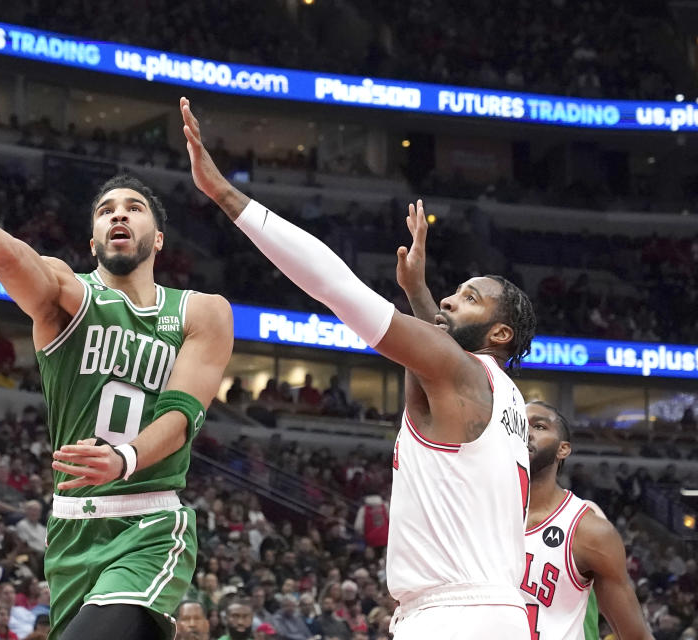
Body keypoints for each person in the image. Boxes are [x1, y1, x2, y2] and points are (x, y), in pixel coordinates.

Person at [182, 98, 535, 639]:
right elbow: (436, 357)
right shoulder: (503, 395)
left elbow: (336, 286)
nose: (450, 298)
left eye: (468, 298)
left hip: (452, 618)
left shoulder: (462, 372)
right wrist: (418, 291)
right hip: (500, 614)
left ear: (500, 333)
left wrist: (227, 196)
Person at [0, 133, 233, 640]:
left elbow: (179, 416)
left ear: (159, 238)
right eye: (105, 211)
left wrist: (124, 458)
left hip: (149, 524)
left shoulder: (201, 311)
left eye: (135, 208)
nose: (118, 215)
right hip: (71, 529)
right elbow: (8, 255)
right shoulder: (66, 294)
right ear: (93, 240)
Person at [520, 401, 653, 640]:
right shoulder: (476, 514)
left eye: (539, 426)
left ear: (563, 449)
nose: (526, 432)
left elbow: (636, 635)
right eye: (519, 423)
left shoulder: (588, 531)